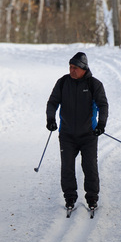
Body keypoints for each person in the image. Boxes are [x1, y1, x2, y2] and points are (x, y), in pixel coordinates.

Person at [46, 52, 109, 210]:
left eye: (75, 68)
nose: (72, 70)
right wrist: (50, 120)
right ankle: (70, 197)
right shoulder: (62, 83)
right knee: (67, 166)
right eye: (70, 67)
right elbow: (52, 102)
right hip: (67, 134)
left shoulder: (94, 85)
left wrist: (101, 124)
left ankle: (92, 198)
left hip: (89, 134)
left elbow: (103, 105)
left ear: (83, 69)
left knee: (90, 167)